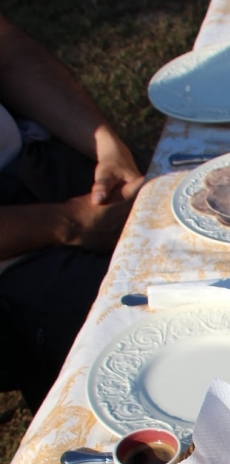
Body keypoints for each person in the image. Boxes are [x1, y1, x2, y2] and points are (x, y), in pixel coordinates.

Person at [0, 14, 144, 412]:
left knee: (180, 229)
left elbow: (9, 51)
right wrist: (68, 222)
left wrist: (105, 145)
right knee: (124, 333)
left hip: (31, 157)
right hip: (13, 248)